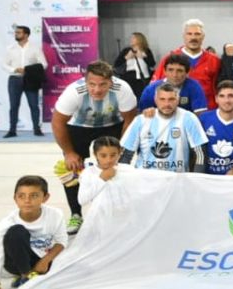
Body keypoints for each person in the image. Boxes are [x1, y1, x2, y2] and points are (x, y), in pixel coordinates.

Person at [51, 60, 138, 235]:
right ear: (85, 81)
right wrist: (69, 153)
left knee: (115, 168)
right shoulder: (74, 92)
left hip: (112, 126)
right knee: (71, 170)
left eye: (103, 84)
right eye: (92, 84)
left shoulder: (123, 90)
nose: (97, 90)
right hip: (79, 129)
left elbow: (129, 120)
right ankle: (76, 214)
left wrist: (121, 148)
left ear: (111, 82)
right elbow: (57, 122)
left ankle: (115, 212)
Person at [0, 176, 67, 288]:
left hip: (44, 259)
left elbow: (62, 241)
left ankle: (32, 276)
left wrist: (45, 261)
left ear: (45, 197)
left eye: (34, 195)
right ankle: (25, 277)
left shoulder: (55, 215)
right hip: (16, 264)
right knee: (16, 231)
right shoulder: (7, 223)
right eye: (21, 196)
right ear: (15, 198)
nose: (27, 201)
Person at [119, 83, 208, 173]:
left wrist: (196, 178)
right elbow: (126, 153)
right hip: (146, 179)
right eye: (162, 99)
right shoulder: (141, 120)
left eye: (171, 99)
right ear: (155, 100)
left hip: (177, 180)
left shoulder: (189, 118)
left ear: (178, 100)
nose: (167, 104)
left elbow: (200, 152)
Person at [151, 19, 222, 107]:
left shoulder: (214, 60)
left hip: (206, 110)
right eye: (189, 34)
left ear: (203, 36)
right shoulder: (169, 59)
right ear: (183, 36)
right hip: (175, 110)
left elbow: (220, 88)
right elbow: (155, 86)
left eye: (197, 34)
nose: (193, 38)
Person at [2, 25, 46, 138]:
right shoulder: (10, 48)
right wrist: (14, 69)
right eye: (16, 32)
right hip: (14, 79)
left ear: (26, 35)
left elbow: (44, 64)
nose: (16, 34)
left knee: (34, 105)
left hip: (30, 79)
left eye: (19, 32)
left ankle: (37, 129)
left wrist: (28, 70)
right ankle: (12, 130)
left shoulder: (35, 48)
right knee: (14, 106)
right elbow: (3, 64)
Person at [139, 53, 209, 112]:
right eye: (170, 70)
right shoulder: (151, 90)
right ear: (164, 71)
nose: (175, 75)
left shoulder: (194, 87)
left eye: (179, 71)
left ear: (187, 73)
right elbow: (144, 114)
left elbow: (200, 113)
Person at [77, 136, 123, 208]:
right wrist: (101, 179)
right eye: (103, 156)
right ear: (95, 154)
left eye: (113, 155)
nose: (109, 160)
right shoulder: (88, 173)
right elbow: (82, 200)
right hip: (100, 216)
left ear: (120, 153)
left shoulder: (126, 170)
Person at [113, 32, 156, 101]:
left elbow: (152, 64)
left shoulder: (146, 51)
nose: (131, 39)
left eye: (133, 38)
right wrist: (126, 57)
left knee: (142, 97)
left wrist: (144, 57)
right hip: (128, 78)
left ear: (139, 39)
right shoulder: (126, 51)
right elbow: (116, 64)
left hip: (143, 78)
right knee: (130, 98)